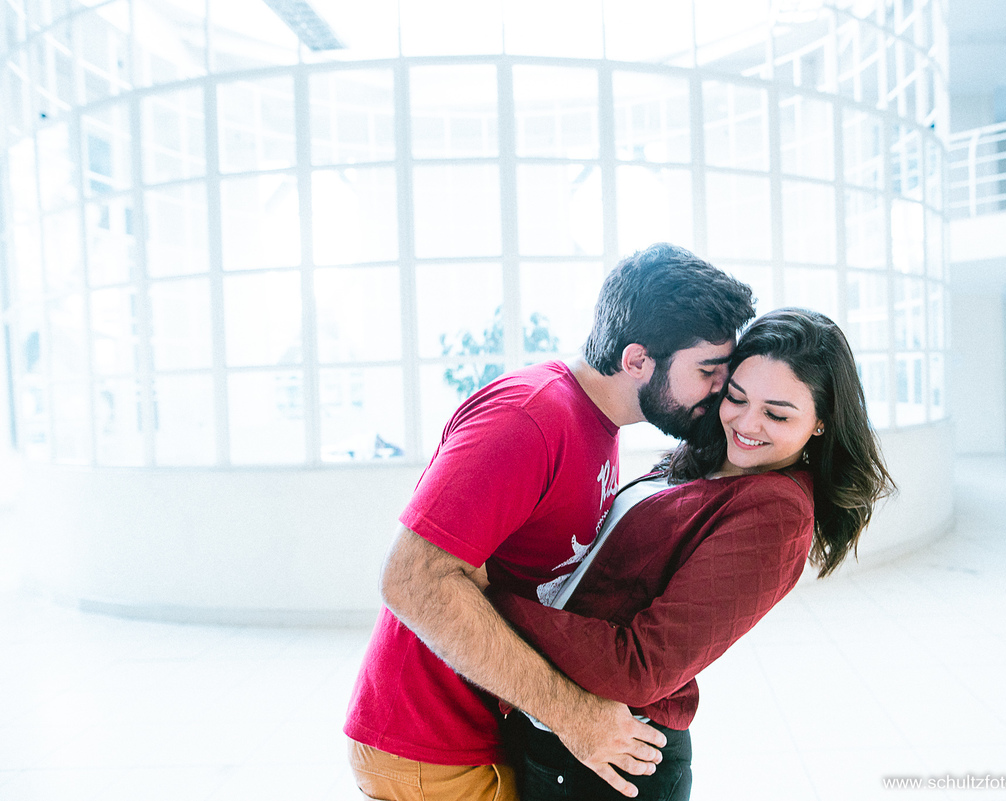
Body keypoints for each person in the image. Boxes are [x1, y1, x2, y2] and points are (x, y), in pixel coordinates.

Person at [344, 243, 756, 801]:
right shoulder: (530, 418)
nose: (721, 390)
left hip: (487, 731)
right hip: (430, 743)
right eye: (708, 371)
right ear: (637, 361)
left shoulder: (596, 422)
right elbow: (411, 579)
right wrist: (575, 716)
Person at [488, 308, 895, 801]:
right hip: (565, 733)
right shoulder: (708, 457)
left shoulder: (778, 512)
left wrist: (490, 604)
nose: (747, 423)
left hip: (616, 761)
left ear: (821, 423)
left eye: (777, 414)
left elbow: (642, 668)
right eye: (737, 398)